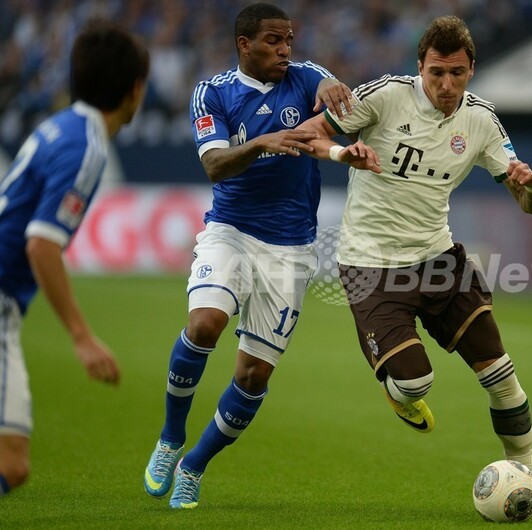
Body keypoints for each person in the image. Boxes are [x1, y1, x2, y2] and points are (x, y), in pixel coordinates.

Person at [297, 16, 532, 516]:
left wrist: (531, 186)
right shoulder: (383, 96)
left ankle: (529, 482)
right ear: (419, 66)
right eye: (437, 73)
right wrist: (342, 152)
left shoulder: (482, 120)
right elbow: (305, 136)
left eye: (457, 74)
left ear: (472, 70)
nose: (446, 85)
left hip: (439, 259)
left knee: (501, 374)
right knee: (414, 383)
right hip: (371, 264)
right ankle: (399, 391)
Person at [142, 3, 378, 510]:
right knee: (205, 325)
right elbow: (214, 165)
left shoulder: (304, 77)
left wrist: (332, 91)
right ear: (244, 44)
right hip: (231, 231)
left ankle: (193, 466)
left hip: (291, 247)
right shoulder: (212, 93)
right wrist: (263, 143)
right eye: (274, 41)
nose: (285, 49)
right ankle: (170, 437)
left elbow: (327, 90)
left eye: (289, 39)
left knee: (253, 376)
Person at [0, 21, 149, 496]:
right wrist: (82, 337)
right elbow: (41, 244)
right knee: (11, 463)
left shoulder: (60, 125)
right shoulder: (86, 147)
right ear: (135, 90)